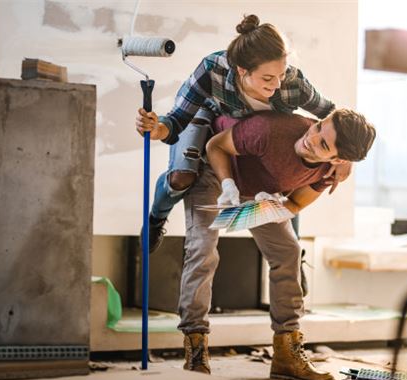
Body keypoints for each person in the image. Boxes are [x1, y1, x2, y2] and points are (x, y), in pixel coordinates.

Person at [176, 108, 376, 380]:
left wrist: (252, 212)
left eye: (323, 144)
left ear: (337, 159)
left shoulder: (325, 173)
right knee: (203, 248)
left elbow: (293, 204)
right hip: (216, 171)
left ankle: (286, 354)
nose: (311, 138)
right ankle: (196, 351)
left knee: (288, 251)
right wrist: (229, 187)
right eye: (319, 127)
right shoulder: (270, 130)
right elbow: (215, 145)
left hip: (258, 190)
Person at [135, 14, 351, 253]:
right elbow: (176, 120)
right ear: (242, 70)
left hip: (256, 134)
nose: (277, 84)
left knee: (285, 181)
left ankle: (295, 254)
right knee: (181, 177)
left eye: (281, 74)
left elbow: (333, 114)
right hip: (209, 117)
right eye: (268, 78)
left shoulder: (293, 84)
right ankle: (156, 218)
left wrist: (345, 157)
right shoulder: (211, 69)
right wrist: (157, 129)